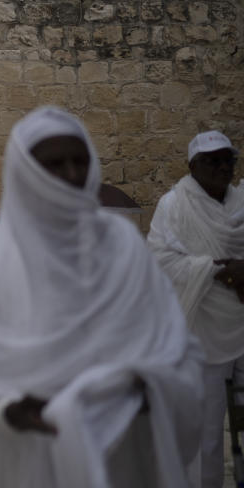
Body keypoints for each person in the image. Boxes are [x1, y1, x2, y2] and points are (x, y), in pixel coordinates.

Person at [0, 106, 204, 488]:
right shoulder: (0, 258)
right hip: (35, 456)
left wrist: (153, 388)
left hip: (128, 450)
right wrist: (7, 411)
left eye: (80, 160)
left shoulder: (123, 245)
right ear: (26, 174)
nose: (72, 174)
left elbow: (178, 350)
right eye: (55, 164)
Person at [148, 130, 243, 488]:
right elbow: (161, 263)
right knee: (204, 434)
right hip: (202, 332)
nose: (222, 167)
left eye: (228, 159)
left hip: (241, 322)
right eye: (212, 160)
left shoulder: (242, 201)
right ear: (192, 166)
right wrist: (221, 271)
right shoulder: (174, 206)